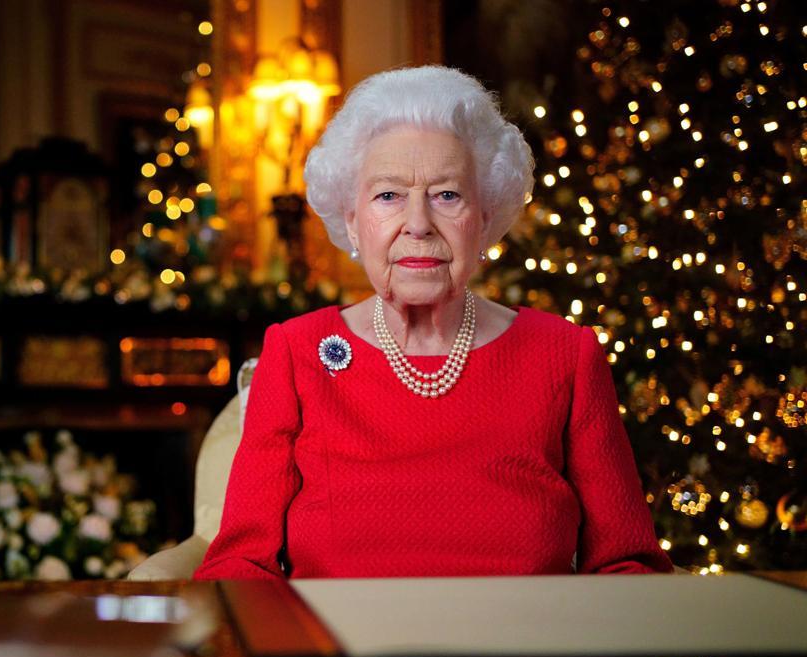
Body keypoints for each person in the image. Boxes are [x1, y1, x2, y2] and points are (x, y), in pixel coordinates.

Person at [195, 66, 673, 580]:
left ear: (486, 217)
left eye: (447, 195)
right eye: (388, 196)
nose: (419, 224)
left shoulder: (563, 354)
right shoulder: (297, 351)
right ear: (352, 220)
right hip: (340, 654)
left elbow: (627, 563)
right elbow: (240, 565)